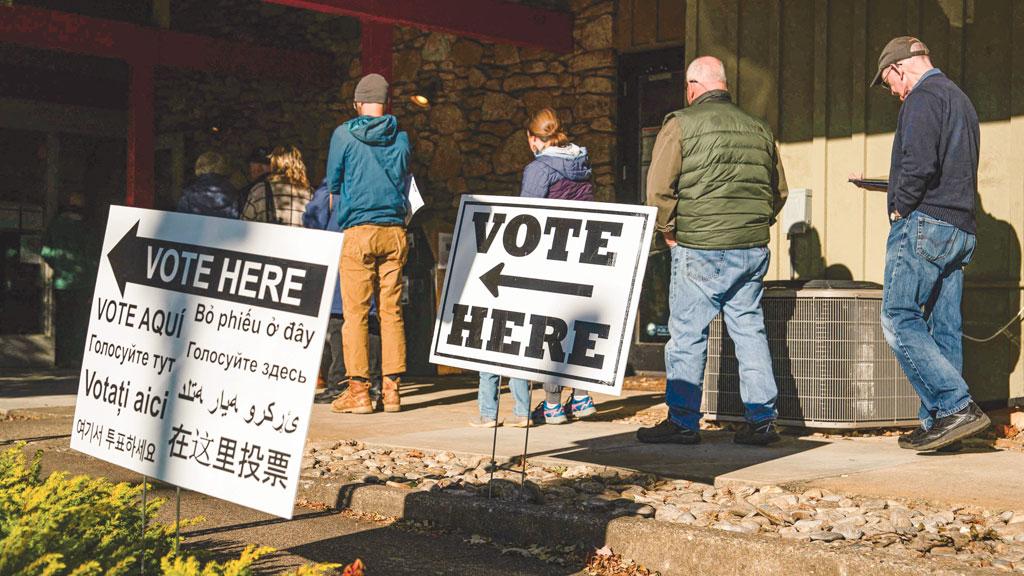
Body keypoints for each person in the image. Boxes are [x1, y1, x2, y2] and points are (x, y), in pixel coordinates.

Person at [638, 56, 788, 446]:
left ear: (692, 87)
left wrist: (668, 231)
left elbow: (658, 188)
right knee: (749, 331)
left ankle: (684, 422)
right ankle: (761, 421)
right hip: (750, 249)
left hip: (699, 246)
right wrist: (754, 225)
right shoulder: (759, 128)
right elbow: (779, 191)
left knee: (687, 334)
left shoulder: (680, 125)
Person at [855, 36, 988, 451]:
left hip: (925, 224)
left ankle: (954, 406)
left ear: (898, 68)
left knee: (898, 317)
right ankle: (941, 426)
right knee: (943, 326)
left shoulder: (922, 97)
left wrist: (900, 207)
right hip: (959, 228)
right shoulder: (960, 100)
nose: (893, 93)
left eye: (888, 83)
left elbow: (918, 162)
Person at [477, 107, 598, 427]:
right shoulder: (582, 164)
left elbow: (526, 220)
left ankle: (554, 405)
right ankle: (583, 395)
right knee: (576, 325)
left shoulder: (538, 169)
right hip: (583, 254)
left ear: (533, 139)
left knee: (550, 329)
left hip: (550, 257)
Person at [325, 73, 411, 415]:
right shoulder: (401, 138)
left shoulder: (344, 135)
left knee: (356, 313)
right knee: (392, 312)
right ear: (386, 103)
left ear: (358, 103)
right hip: (394, 231)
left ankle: (359, 391)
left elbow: (334, 183)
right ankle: (391, 391)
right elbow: (404, 177)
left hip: (359, 230)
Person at [303, 179, 384, 408]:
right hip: (377, 251)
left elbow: (313, 220)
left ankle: (340, 382)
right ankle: (375, 383)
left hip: (342, 256)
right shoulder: (381, 183)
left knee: (340, 319)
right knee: (370, 317)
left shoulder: (333, 189)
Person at [41, 192, 100, 368]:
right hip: (84, 282)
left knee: (63, 320)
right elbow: (95, 256)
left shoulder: (56, 225)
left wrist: (60, 267)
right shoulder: (88, 228)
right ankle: (78, 357)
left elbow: (46, 253)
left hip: (62, 282)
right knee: (80, 321)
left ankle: (62, 358)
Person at [241, 145, 312, 226]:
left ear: (274, 163)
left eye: (264, 164)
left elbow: (244, 224)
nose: (258, 168)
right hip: (299, 238)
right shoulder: (310, 193)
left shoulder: (260, 190)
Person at [177, 151, 240, 219]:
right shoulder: (232, 190)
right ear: (221, 167)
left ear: (199, 166)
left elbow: (181, 222)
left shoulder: (189, 192)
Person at [238, 146, 272, 212]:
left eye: (265, 163)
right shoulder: (244, 193)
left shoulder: (245, 193)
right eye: (254, 162)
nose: (259, 168)